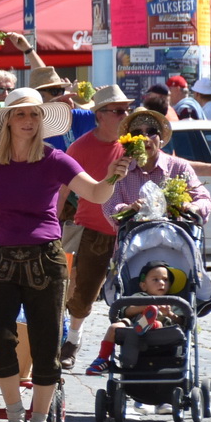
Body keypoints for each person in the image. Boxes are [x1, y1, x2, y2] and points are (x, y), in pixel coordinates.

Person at [0, 88, 130, 422]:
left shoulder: (56, 159)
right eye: (22, 114)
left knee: (46, 347)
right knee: (0, 341)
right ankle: (13, 419)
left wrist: (112, 177)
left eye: (35, 115)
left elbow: (96, 194)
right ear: (8, 120)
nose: (29, 121)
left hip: (45, 259)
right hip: (0, 259)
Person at [57, 86, 136, 369]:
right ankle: (73, 340)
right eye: (118, 111)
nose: (125, 115)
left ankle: (135, 346)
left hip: (132, 231)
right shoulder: (80, 147)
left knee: (137, 291)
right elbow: (63, 191)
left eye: (127, 109)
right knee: (83, 294)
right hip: (92, 230)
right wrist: (52, 226)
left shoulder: (134, 145)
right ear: (100, 116)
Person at [102, 108, 211, 225]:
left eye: (151, 132)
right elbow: (109, 206)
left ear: (161, 139)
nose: (145, 138)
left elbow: (204, 198)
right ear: (130, 141)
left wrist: (191, 207)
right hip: (132, 239)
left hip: (173, 239)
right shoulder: (121, 170)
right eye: (137, 133)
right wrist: (128, 209)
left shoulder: (179, 167)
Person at [85, 264, 182, 376]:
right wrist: (146, 307)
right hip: (133, 325)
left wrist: (170, 314)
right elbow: (126, 311)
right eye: (155, 279)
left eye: (165, 280)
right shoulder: (140, 296)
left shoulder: (173, 302)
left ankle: (150, 323)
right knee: (114, 327)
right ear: (144, 285)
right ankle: (102, 359)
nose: (161, 283)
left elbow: (183, 322)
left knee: (159, 323)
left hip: (162, 330)